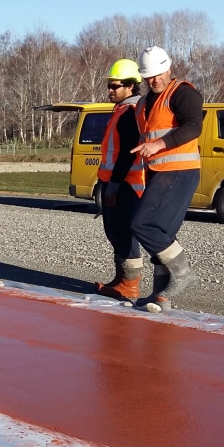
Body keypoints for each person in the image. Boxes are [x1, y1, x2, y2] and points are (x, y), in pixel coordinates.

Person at [128, 46, 204, 311]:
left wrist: (160, 144)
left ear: (169, 68)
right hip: (157, 172)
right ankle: (160, 296)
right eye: (149, 76)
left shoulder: (183, 93)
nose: (155, 80)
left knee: (143, 225)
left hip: (180, 171)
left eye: (159, 74)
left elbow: (194, 126)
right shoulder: (144, 103)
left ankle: (183, 274)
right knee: (162, 233)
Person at [93, 59, 146, 302]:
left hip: (125, 184)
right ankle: (121, 279)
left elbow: (127, 152)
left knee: (123, 233)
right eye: (109, 86)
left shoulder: (130, 112)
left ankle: (130, 285)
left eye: (115, 86)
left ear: (131, 86)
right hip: (117, 181)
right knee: (115, 232)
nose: (110, 90)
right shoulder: (123, 109)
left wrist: (114, 184)